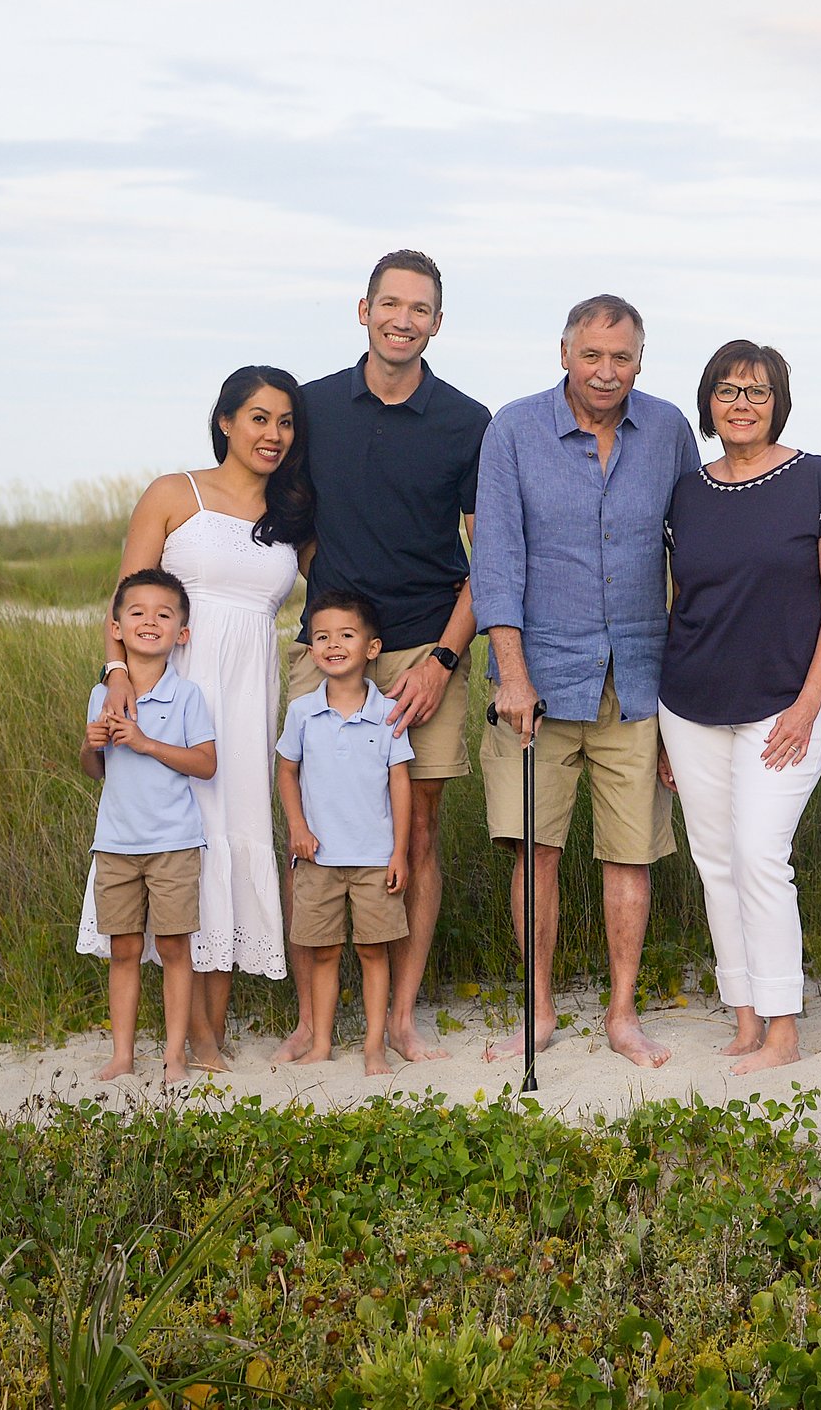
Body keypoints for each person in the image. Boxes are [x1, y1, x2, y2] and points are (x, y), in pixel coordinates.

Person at [472, 294, 699, 1070]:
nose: (607, 372)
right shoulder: (512, 429)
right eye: (592, 355)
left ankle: (623, 1015)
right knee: (534, 853)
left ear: (642, 358)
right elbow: (496, 558)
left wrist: (684, 693)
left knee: (629, 856)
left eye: (623, 357)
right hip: (535, 682)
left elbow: (690, 555)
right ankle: (537, 1013)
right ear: (564, 352)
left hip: (637, 678)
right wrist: (511, 674)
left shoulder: (669, 430)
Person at [282, 249, 490, 1066]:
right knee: (313, 830)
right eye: (390, 303)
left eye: (420, 308)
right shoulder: (315, 406)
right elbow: (288, 520)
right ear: (362, 310)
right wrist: (334, 610)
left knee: (421, 830)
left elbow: (492, 554)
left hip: (425, 648)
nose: (403, 319)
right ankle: (312, 1021)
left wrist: (442, 657)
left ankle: (400, 1017)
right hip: (329, 648)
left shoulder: (468, 421)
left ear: (438, 323)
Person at [82, 367, 312, 1068]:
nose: (272, 434)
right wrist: (118, 675)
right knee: (183, 838)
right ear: (225, 422)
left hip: (247, 696)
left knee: (236, 835)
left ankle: (209, 1031)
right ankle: (172, 1031)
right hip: (176, 691)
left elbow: (341, 585)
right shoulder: (171, 494)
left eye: (285, 422)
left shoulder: (295, 513)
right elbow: (124, 600)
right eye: (258, 418)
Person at [657, 341, 821, 1076]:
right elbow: (680, 602)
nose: (741, 403)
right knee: (715, 862)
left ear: (778, 400)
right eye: (726, 390)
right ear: (708, 401)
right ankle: (744, 1018)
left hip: (785, 706)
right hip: (688, 705)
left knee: (760, 856)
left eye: (756, 390)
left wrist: (811, 703)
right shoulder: (686, 492)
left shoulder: (818, 480)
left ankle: (783, 1029)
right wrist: (661, 728)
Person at [80, 568, 217, 1085]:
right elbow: (95, 770)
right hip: (115, 843)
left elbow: (206, 763)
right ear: (116, 627)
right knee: (124, 949)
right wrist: (93, 745)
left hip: (174, 842)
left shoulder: (187, 696)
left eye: (164, 615)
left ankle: (176, 1055)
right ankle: (122, 1056)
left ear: (181, 633)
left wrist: (144, 742)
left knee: (176, 947)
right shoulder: (103, 695)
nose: (149, 622)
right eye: (136, 612)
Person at [275, 589, 414, 1076]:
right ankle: (320, 1043)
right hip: (318, 858)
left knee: (374, 950)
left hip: (375, 857)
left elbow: (400, 783)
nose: (332, 644)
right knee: (323, 951)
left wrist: (400, 852)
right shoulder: (302, 713)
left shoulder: (388, 713)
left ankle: (375, 1045)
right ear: (311, 648)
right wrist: (297, 827)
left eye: (346, 635)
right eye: (321, 637)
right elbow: (286, 771)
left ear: (371, 648)